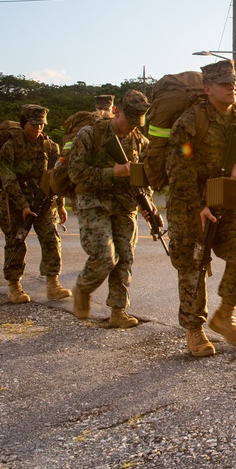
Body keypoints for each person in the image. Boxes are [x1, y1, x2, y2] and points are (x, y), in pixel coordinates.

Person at [165, 59, 236, 356]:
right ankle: (194, 330)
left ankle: (225, 314)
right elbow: (178, 167)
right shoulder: (190, 121)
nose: (232, 86)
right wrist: (198, 206)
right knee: (193, 266)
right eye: (223, 83)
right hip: (188, 205)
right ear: (207, 89)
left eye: (234, 81)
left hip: (228, 203)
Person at [68, 90, 153, 329]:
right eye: (130, 121)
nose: (133, 127)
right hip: (94, 204)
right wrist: (111, 173)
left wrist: (147, 205)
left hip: (125, 205)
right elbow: (75, 172)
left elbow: (142, 178)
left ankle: (119, 310)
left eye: (138, 123)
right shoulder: (90, 135)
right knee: (106, 257)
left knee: (125, 258)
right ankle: (82, 288)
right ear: (116, 111)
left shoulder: (139, 140)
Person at [0, 104, 71, 304]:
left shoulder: (50, 146)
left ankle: (52, 283)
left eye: (41, 124)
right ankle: (14, 286)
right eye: (34, 124)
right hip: (15, 202)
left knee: (51, 239)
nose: (38, 128)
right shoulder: (10, 147)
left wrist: (61, 204)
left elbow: (56, 177)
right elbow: (8, 179)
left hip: (43, 200)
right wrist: (23, 205)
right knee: (16, 241)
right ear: (24, 123)